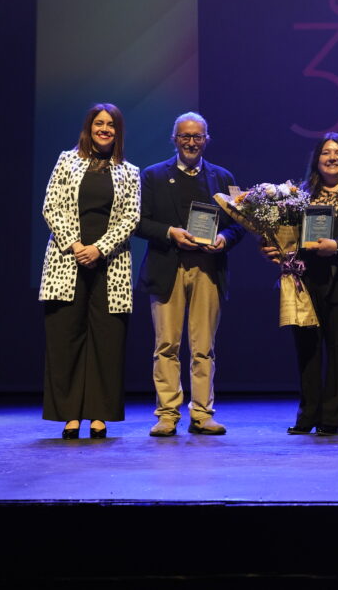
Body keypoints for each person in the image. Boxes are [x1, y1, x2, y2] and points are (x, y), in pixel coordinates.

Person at [136, 112, 245, 437]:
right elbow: (139, 221)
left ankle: (202, 414)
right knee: (166, 345)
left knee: (203, 347)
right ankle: (167, 414)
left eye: (197, 136)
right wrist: (170, 231)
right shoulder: (153, 176)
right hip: (166, 267)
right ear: (175, 139)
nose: (191, 142)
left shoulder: (223, 177)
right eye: (185, 136)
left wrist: (224, 239)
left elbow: (240, 223)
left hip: (207, 269)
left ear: (206, 139)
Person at [261, 133, 338, 436]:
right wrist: (275, 247)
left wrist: (337, 245)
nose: (332, 157)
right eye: (326, 152)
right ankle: (307, 415)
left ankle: (333, 419)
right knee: (307, 352)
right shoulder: (300, 195)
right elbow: (286, 235)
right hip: (305, 282)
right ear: (317, 159)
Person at [39, 103, 141, 439]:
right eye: (99, 123)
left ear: (118, 131)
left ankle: (99, 414)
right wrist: (76, 245)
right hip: (67, 260)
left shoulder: (130, 171)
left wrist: (100, 248)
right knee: (66, 336)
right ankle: (70, 415)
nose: (105, 129)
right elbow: (51, 205)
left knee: (107, 339)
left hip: (110, 265)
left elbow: (131, 217)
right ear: (89, 127)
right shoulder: (66, 161)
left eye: (111, 125)